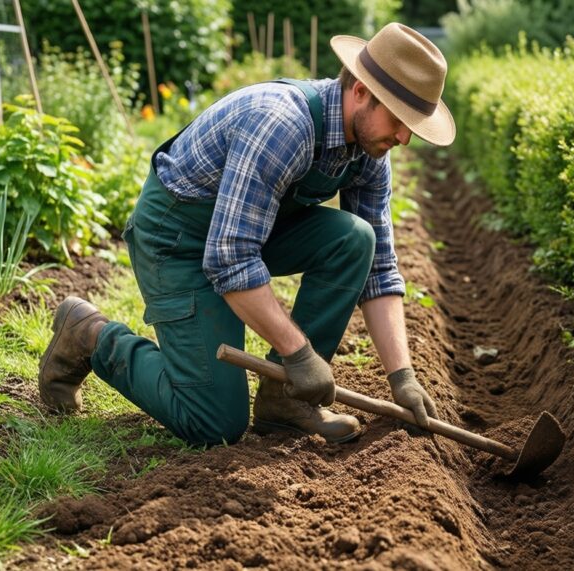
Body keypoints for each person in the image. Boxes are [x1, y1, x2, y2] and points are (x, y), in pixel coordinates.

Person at [36, 23, 454, 446]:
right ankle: (89, 335)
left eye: (411, 127)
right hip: (178, 241)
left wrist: (403, 377)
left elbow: (378, 267)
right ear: (361, 90)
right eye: (399, 120)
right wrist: (300, 353)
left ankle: (285, 405)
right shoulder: (282, 125)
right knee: (215, 424)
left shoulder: (367, 149)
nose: (403, 138)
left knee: (355, 239)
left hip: (245, 232)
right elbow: (230, 257)